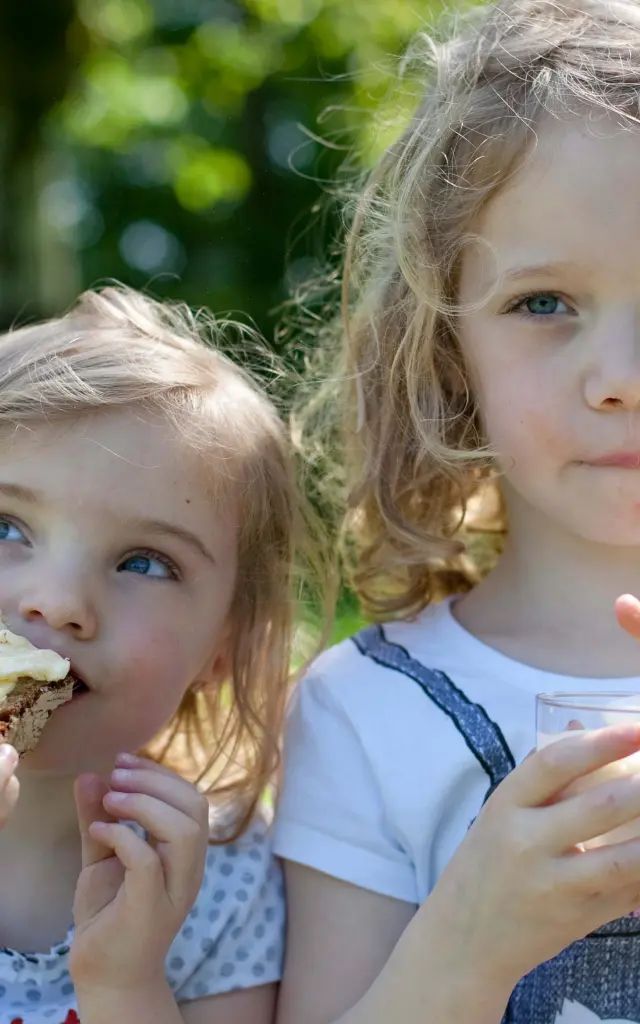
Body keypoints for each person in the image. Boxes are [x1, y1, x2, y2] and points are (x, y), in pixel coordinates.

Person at [272, 0, 640, 1021]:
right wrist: (470, 941)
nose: (619, 378)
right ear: (446, 351)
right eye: (543, 303)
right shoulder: (367, 713)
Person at [0, 284, 307, 1024]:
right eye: (7, 528)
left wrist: (126, 987)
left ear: (224, 646)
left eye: (144, 562)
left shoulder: (218, 883)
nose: (59, 602)